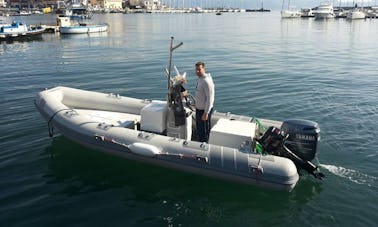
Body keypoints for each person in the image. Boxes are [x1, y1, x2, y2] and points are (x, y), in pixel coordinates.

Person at [194, 61, 215, 142]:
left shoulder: (206, 81)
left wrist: (206, 113)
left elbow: (210, 98)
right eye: (196, 69)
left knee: (205, 130)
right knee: (199, 129)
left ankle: (205, 144)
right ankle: (200, 142)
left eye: (199, 69)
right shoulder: (200, 79)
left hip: (204, 110)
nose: (197, 71)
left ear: (204, 69)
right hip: (199, 109)